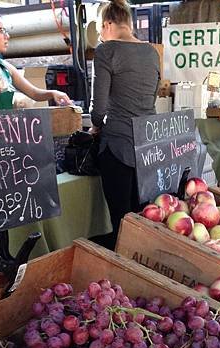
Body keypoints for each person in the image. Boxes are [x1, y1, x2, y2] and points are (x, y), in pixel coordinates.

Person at [89, 0, 160, 250]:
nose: (100, 36)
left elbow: (98, 108)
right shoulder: (151, 52)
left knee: (120, 222)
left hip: (118, 146)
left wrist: (96, 125)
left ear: (108, 24)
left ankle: (123, 272)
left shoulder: (106, 51)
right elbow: (151, 99)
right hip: (149, 146)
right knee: (143, 218)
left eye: (100, 30)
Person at [0, 6, 71, 111]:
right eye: (1, 31)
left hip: (4, 126)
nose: (7, 36)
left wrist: (53, 93)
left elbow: (34, 93)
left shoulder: (5, 66)